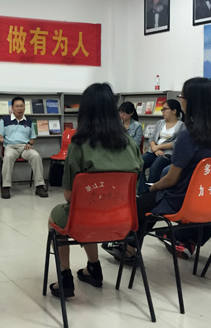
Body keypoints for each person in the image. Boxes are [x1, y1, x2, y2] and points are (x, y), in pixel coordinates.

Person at [108, 78, 211, 262]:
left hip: (182, 200)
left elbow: (171, 179)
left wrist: (153, 187)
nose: (180, 99)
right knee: (149, 203)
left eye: (181, 95)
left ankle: (128, 249)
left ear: (191, 101)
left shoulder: (189, 137)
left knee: (138, 205)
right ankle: (178, 240)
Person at [48, 83, 143, 298]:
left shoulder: (79, 144)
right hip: (124, 219)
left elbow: (69, 196)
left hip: (88, 216)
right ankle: (93, 268)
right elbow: (135, 186)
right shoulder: (130, 143)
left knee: (59, 218)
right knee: (91, 209)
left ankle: (65, 277)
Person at [0, 96, 48, 199]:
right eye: (17, 106)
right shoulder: (5, 120)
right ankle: (6, 187)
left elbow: (33, 137)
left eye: (21, 106)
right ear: (12, 108)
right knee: (8, 157)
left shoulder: (28, 121)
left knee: (36, 156)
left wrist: (30, 143)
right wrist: (0, 139)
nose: (19, 108)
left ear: (24, 107)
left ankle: (39, 186)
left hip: (25, 147)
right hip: (10, 147)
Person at [136, 99, 185, 196]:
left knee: (155, 167)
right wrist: (155, 148)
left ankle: (150, 193)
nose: (162, 112)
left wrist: (159, 147)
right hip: (154, 151)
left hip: (168, 153)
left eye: (165, 109)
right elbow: (152, 138)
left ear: (174, 111)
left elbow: (176, 143)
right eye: (162, 110)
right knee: (138, 163)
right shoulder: (160, 123)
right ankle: (143, 192)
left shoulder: (181, 125)